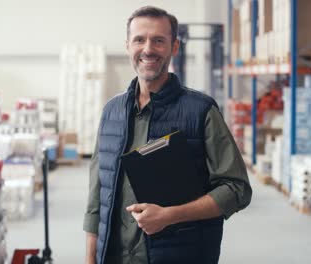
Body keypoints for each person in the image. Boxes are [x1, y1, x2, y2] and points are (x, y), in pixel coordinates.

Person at [83, 6, 252, 264]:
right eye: (139, 39)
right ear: (128, 45)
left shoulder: (201, 111)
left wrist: (170, 215)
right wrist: (89, 257)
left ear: (174, 47)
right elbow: (97, 197)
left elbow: (237, 189)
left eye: (159, 41)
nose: (148, 49)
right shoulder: (111, 112)